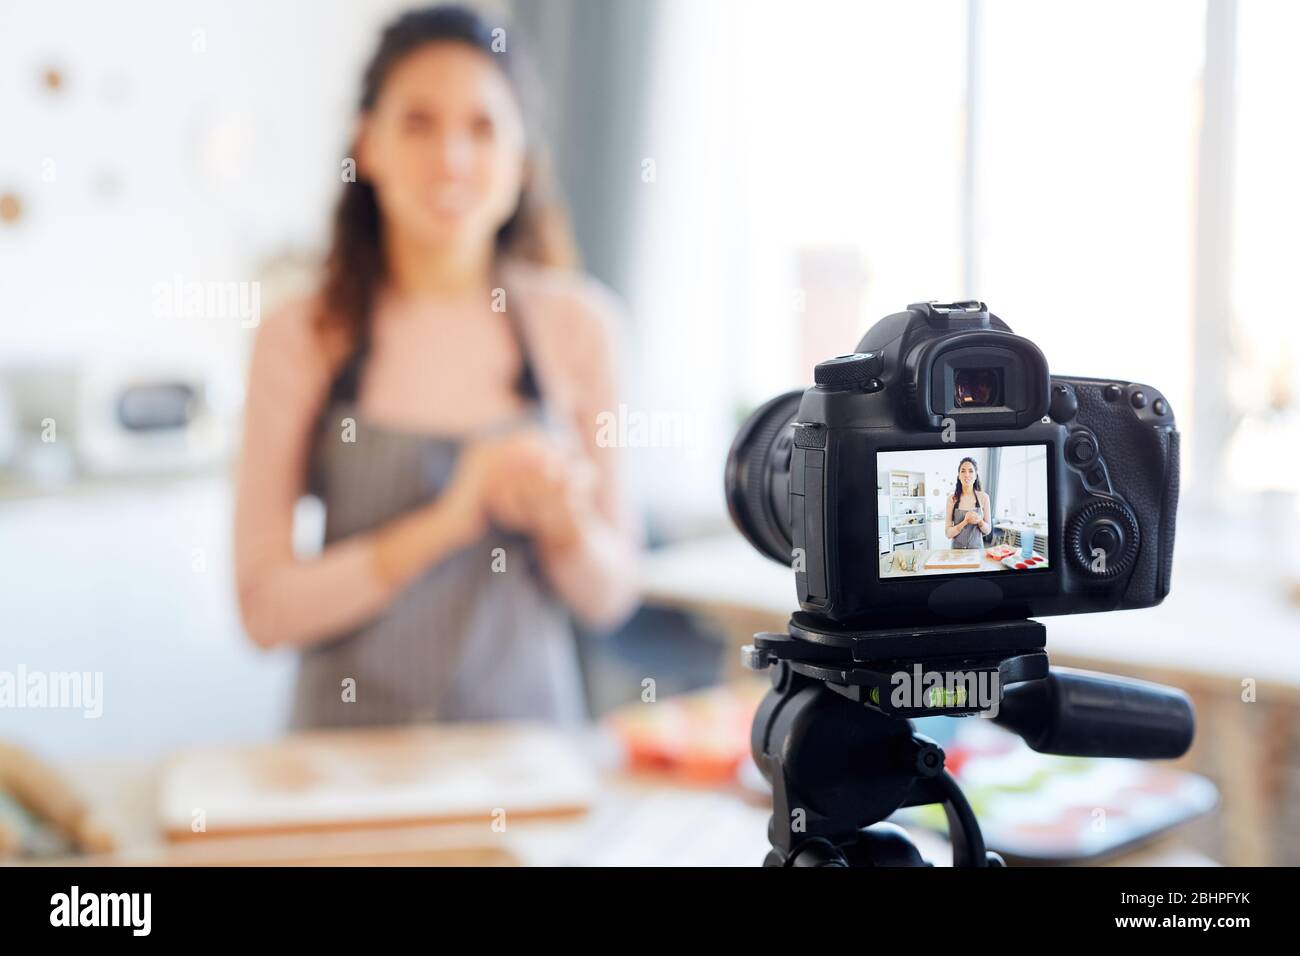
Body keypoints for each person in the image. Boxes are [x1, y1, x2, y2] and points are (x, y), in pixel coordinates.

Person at [233, 5, 640, 729]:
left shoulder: (581, 326)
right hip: (341, 773)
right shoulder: (301, 334)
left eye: (483, 128)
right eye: (418, 122)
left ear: (520, 160)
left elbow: (611, 595)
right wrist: (448, 521)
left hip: (529, 770)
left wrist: (566, 524)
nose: (451, 157)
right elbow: (264, 611)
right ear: (370, 145)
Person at [944, 457, 991, 550]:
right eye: (963, 471)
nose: (967, 474)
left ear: (976, 475)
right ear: (958, 475)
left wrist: (979, 521)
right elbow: (948, 533)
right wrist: (965, 522)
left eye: (971, 471)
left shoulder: (984, 497)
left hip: (977, 552)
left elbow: (988, 530)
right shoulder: (952, 499)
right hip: (956, 552)